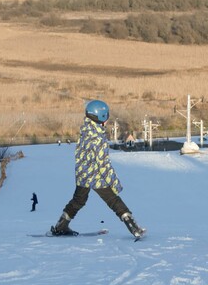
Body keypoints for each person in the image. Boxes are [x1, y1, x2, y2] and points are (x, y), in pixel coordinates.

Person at [50, 100, 145, 239]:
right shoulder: (99, 138)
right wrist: (114, 183)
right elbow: (103, 164)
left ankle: (60, 226)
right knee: (114, 201)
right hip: (96, 177)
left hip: (82, 175)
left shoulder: (85, 132)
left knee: (78, 201)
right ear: (101, 117)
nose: (107, 120)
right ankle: (134, 227)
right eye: (106, 117)